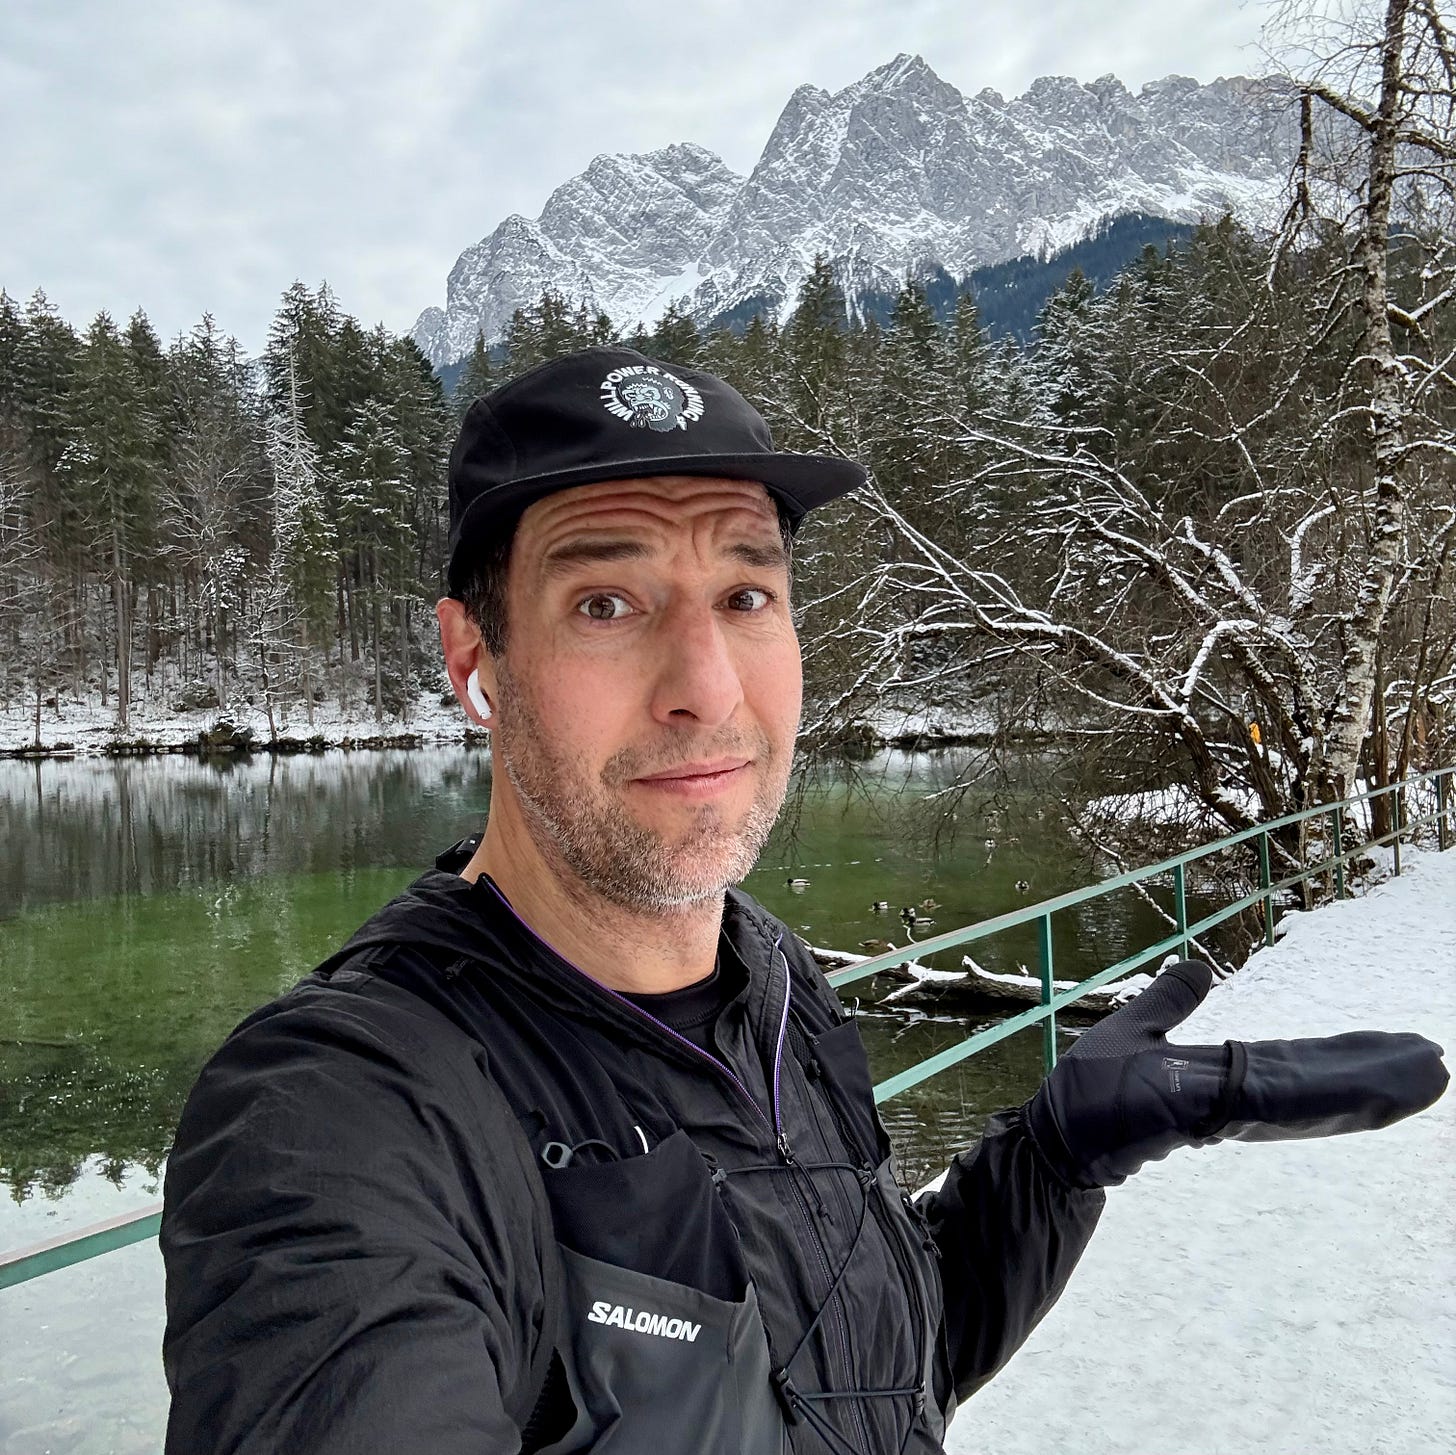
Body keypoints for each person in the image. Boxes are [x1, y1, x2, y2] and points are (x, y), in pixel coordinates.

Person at [160, 346, 1448, 1455]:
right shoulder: (340, 1116)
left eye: (746, 594)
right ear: (474, 659)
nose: (708, 687)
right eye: (607, 603)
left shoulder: (775, 984)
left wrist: (1049, 1165)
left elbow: (861, 1373)